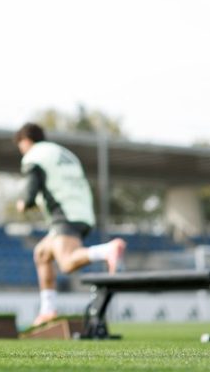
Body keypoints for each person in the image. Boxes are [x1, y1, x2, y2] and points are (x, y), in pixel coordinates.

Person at [14, 122, 126, 326]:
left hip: (64, 214)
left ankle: (107, 250)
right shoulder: (64, 153)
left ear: (26, 141)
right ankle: (47, 310)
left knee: (65, 262)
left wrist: (23, 203)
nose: (21, 151)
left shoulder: (34, 155)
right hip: (83, 213)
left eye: (20, 146)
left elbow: (30, 190)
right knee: (42, 254)